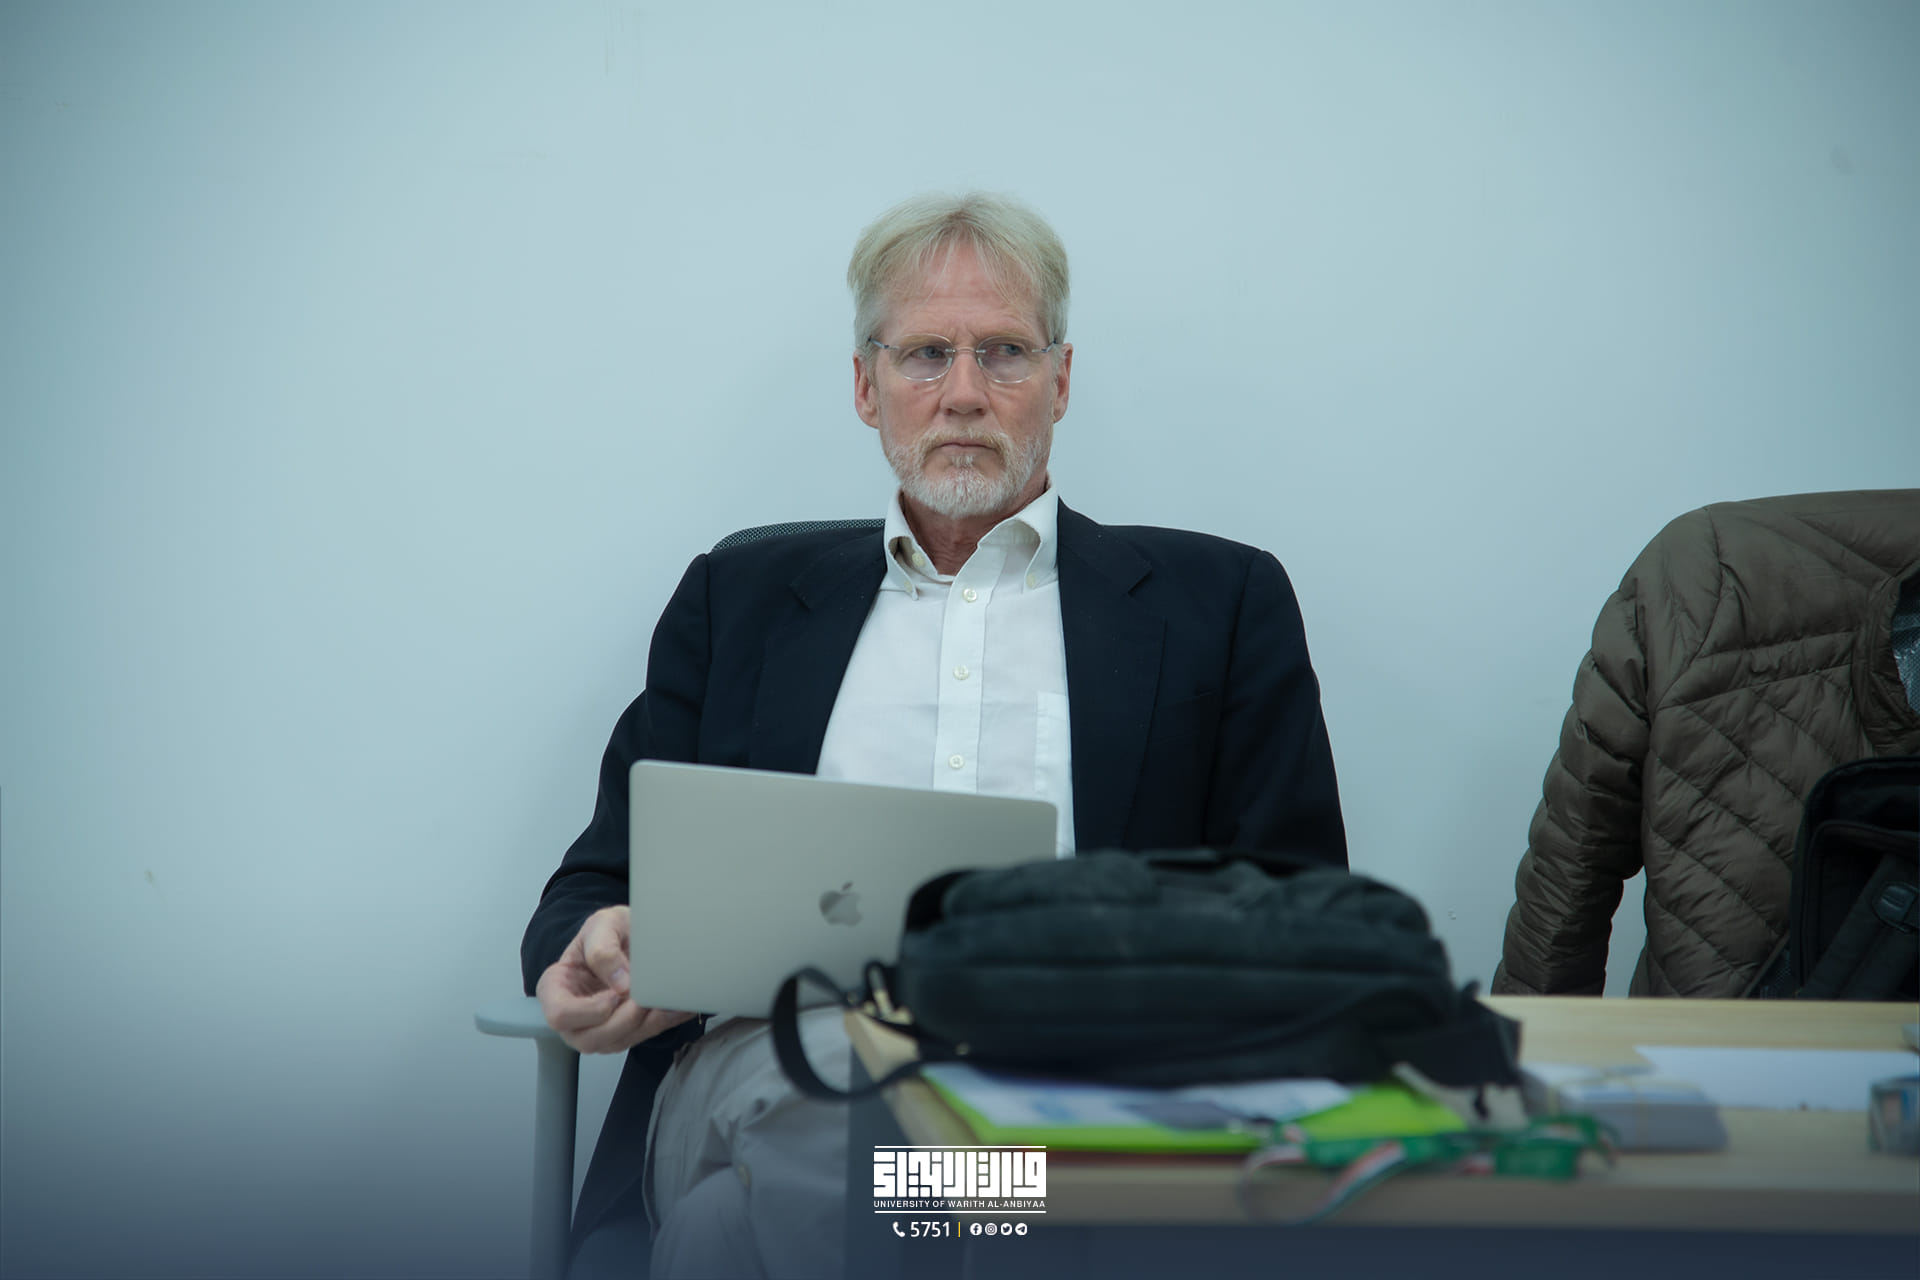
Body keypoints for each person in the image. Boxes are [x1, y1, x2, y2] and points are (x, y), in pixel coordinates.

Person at [521, 192, 1347, 1277]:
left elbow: (1305, 921)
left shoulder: (1218, 604)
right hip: (776, 1062)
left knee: (723, 1232)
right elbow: (595, 884)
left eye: (1003, 351)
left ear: (1060, 379)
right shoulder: (741, 600)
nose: (963, 391)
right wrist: (597, 943)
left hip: (1073, 1090)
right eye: (925, 355)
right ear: (868, 387)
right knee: (853, 1106)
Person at [1492, 490, 1920, 998]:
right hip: (1724, 1025)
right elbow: (1577, 840)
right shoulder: (1710, 571)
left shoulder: (1711, 564)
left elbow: (1574, 846)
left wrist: (1533, 1032)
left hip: (1711, 1024)